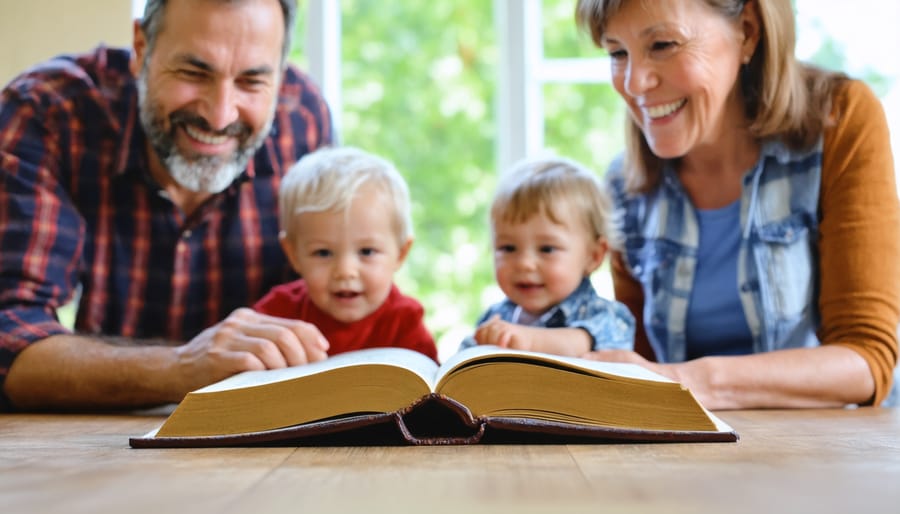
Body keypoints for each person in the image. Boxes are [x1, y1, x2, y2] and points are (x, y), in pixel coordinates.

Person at [0, 0, 335, 411]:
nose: (218, 116)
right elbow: (9, 337)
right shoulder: (48, 113)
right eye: (194, 73)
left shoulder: (303, 120)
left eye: (251, 81)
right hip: (94, 450)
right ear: (141, 48)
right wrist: (181, 368)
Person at [575, 0, 900, 408]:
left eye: (662, 44)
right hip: (693, 454)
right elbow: (640, 363)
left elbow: (868, 360)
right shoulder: (626, 184)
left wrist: (687, 382)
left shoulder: (839, 120)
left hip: (831, 452)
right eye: (617, 53)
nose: (635, 83)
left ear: (746, 31)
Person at [253, 146, 438, 361]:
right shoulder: (276, 314)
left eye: (367, 251)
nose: (345, 271)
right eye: (323, 253)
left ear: (401, 253)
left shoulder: (405, 321)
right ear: (293, 255)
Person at [459, 156, 635, 356]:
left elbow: (577, 344)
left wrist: (525, 339)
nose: (525, 264)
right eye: (508, 248)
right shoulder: (496, 317)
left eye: (547, 249)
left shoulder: (606, 316)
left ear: (593, 256)